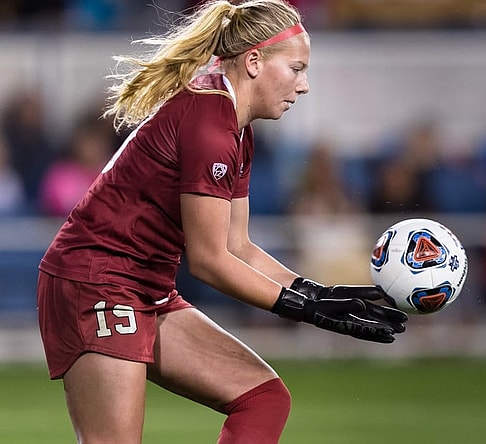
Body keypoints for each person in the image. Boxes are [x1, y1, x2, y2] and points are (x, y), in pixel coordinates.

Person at [36, 1, 408, 443]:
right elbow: (210, 261)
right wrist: (307, 310)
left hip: (143, 289)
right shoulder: (210, 121)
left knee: (264, 398)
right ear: (253, 62)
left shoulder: (233, 123)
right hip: (96, 283)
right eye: (296, 68)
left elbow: (238, 246)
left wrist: (318, 293)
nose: (304, 86)